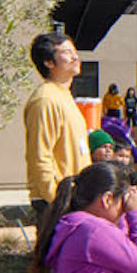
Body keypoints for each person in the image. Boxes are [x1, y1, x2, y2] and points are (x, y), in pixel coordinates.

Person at [22, 31, 90, 223]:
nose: (75, 57)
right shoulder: (45, 99)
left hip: (73, 197)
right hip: (56, 201)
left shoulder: (64, 96)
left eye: (74, 51)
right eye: (67, 52)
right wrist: (57, 200)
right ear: (49, 62)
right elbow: (39, 155)